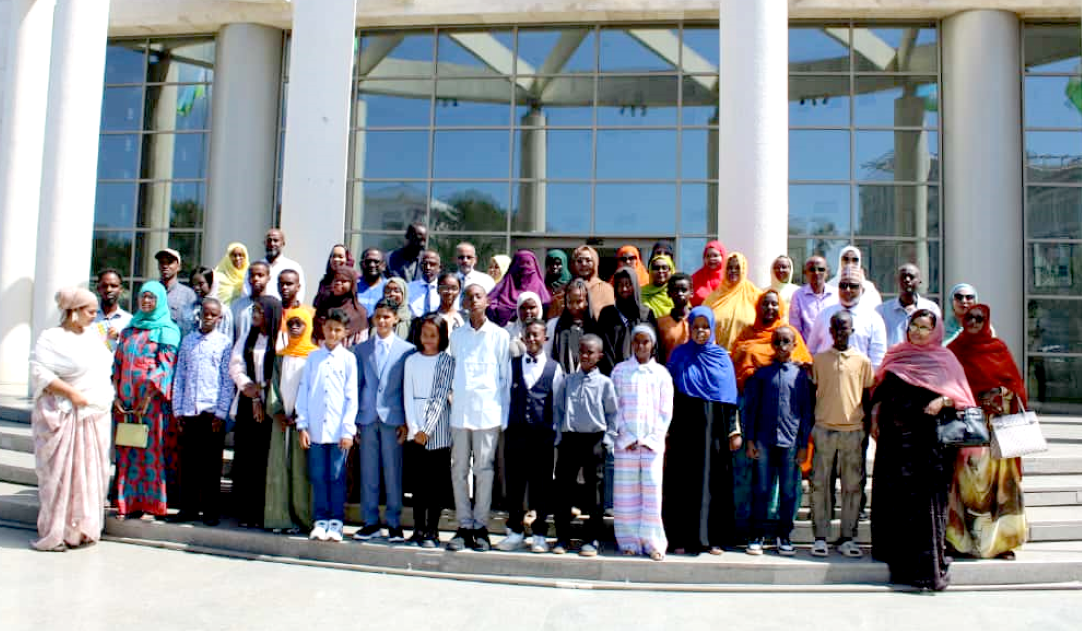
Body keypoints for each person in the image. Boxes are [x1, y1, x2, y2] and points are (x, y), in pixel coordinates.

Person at [870, 309, 975, 591]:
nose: (917, 332)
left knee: (926, 506)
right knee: (898, 504)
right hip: (894, 446)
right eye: (913, 326)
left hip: (928, 447)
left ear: (936, 331)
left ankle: (928, 572)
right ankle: (901, 568)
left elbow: (963, 399)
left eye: (924, 328)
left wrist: (942, 400)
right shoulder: (896, 355)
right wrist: (875, 414)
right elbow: (879, 390)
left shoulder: (945, 360)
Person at [29, 287, 114, 551]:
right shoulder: (51, 338)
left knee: (88, 474)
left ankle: (80, 530)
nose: (94, 316)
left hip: (93, 415)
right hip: (62, 414)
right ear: (74, 311)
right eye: (89, 311)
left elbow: (99, 368)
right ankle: (56, 531)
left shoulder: (92, 337)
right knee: (59, 477)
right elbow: (39, 371)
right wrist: (71, 393)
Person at [947, 304, 1028, 560]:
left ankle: (1002, 544)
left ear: (987, 321)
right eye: (969, 317)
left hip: (998, 432)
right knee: (966, 486)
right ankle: (960, 543)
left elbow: (1017, 387)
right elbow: (947, 386)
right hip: (967, 431)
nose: (973, 322)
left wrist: (1002, 394)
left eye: (979, 318)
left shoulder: (999, 349)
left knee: (1001, 489)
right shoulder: (954, 351)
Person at [662, 307, 741, 555]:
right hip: (684, 430)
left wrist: (732, 431)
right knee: (683, 483)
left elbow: (729, 400)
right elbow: (668, 394)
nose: (700, 332)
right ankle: (681, 539)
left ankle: (712, 539)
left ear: (713, 329)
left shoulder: (721, 358)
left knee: (713, 481)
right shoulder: (679, 355)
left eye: (705, 327)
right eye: (696, 327)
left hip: (713, 433)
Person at [446, 284, 511, 552]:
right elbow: (448, 372)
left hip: (488, 414)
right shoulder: (457, 336)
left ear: (487, 301)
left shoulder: (499, 336)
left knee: (484, 471)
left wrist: (503, 417)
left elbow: (505, 379)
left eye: (478, 296)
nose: (473, 301)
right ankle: (463, 525)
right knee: (458, 469)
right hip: (460, 413)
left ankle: (481, 526)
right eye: (468, 297)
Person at [742, 326, 814, 556]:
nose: (782, 347)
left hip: (791, 442)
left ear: (794, 346)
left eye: (786, 342)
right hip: (764, 440)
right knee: (761, 488)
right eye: (778, 342)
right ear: (772, 345)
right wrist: (750, 440)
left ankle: (784, 535)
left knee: (788, 491)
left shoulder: (801, 376)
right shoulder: (762, 375)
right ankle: (757, 535)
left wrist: (803, 445)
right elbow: (751, 410)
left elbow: (806, 412)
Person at [809, 310, 874, 559]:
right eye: (835, 327)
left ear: (852, 331)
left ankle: (848, 536)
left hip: (853, 431)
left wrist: (866, 429)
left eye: (844, 327)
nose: (839, 332)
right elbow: (811, 392)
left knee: (852, 486)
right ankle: (820, 536)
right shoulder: (819, 360)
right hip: (824, 429)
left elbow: (867, 398)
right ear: (829, 331)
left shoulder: (862, 361)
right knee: (820, 484)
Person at [112, 281, 180, 520]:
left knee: (150, 454)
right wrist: (116, 395)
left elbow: (165, 367)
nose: (147, 301)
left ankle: (151, 505)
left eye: (152, 298)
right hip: (126, 405)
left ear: (160, 300)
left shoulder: (167, 330)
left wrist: (148, 396)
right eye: (143, 297)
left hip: (152, 407)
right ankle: (127, 503)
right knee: (128, 452)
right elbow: (118, 364)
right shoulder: (129, 330)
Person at [497, 319, 565, 553]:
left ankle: (539, 534)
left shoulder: (554, 369)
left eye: (537, 335)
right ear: (523, 337)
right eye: (529, 335)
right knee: (515, 486)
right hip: (516, 434)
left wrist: (554, 432)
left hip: (542, 436)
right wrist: (506, 425)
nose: (533, 339)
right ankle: (515, 531)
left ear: (545, 338)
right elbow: (504, 396)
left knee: (541, 487)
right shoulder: (513, 364)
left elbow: (557, 403)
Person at [352, 299, 415, 543]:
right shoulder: (362, 349)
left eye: (387, 317)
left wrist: (406, 422)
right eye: (378, 316)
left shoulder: (406, 350)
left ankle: (394, 522)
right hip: (367, 417)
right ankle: (370, 522)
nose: (382, 321)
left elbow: (405, 387)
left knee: (393, 471)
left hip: (393, 418)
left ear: (396, 319)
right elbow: (357, 386)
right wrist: (354, 421)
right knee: (368, 472)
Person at [169, 297, 234, 526]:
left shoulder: (225, 344)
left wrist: (221, 413)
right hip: (190, 410)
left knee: (210, 465)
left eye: (212, 314)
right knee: (190, 464)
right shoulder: (188, 341)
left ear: (219, 318)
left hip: (212, 412)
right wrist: (178, 410)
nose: (208, 317)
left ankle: (210, 511)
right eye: (205, 313)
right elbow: (180, 376)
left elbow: (227, 381)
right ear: (200, 314)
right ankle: (187, 508)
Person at [295, 309, 359, 542]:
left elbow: (352, 397)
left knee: (336, 475)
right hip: (315, 430)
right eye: (329, 328)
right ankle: (320, 520)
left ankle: (336, 521)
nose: (332, 333)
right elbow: (304, 391)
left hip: (338, 431)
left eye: (338, 330)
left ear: (345, 332)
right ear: (322, 328)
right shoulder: (313, 358)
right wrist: (302, 425)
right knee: (318, 475)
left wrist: (347, 430)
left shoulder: (349, 359)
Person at [611, 324, 673, 561]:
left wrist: (652, 439)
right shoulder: (620, 371)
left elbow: (665, 410)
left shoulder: (661, 375)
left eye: (645, 341)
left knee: (651, 494)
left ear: (653, 344)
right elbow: (614, 406)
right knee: (625, 495)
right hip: (626, 443)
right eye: (636, 341)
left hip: (651, 446)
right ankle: (628, 542)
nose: (640, 346)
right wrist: (625, 436)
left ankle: (652, 542)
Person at [552, 334, 616, 557]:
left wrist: (608, 439)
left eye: (590, 352)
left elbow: (612, 413)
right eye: (582, 351)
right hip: (570, 439)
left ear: (599, 355)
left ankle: (592, 538)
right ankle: (562, 538)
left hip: (594, 440)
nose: (585, 356)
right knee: (563, 488)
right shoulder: (568, 381)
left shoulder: (605, 383)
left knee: (594, 491)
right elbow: (559, 410)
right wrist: (559, 436)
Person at [229, 295, 283, 528]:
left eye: (260, 311)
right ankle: (245, 511)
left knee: (264, 458)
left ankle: (264, 512)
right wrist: (248, 388)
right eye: (255, 310)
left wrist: (264, 390)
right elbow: (236, 364)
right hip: (247, 402)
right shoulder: (246, 337)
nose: (255, 314)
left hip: (271, 405)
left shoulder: (279, 339)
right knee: (246, 457)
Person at [403, 313, 456, 549]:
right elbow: (407, 395)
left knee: (435, 485)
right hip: (415, 429)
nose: (428, 339)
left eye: (433, 335)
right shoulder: (411, 360)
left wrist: (426, 429)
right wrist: (415, 428)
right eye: (425, 334)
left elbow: (440, 395)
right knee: (419, 485)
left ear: (441, 336)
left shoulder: (446, 361)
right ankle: (417, 528)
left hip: (439, 428)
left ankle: (432, 530)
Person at [264, 308, 318, 534]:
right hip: (282, 421)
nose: (295, 326)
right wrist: (277, 411)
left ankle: (303, 519)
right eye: (292, 322)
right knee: (280, 469)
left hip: (303, 422)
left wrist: (301, 414)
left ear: (308, 326)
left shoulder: (314, 355)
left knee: (301, 471)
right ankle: (280, 518)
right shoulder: (280, 355)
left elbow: (315, 388)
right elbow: (274, 386)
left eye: (300, 323)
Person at [805, 267, 888, 369]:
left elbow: (877, 359)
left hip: (859, 381)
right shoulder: (824, 315)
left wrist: (868, 382)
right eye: (843, 286)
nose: (847, 290)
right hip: (827, 379)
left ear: (862, 290)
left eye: (853, 286)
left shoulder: (874, 319)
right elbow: (811, 350)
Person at [731, 290, 813, 390]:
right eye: (765, 304)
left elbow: (801, 361)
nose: (770, 307)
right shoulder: (747, 333)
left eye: (774, 304)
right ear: (758, 307)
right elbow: (735, 359)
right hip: (750, 392)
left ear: (781, 307)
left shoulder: (789, 333)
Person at [598, 266, 657, 374]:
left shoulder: (646, 314)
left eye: (628, 285)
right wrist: (614, 371)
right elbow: (604, 347)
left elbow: (653, 347)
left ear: (635, 286)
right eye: (620, 285)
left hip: (641, 374)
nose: (624, 289)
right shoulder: (607, 313)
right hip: (611, 373)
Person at [704, 252, 760, 351]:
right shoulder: (713, 298)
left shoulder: (755, 295)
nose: (733, 271)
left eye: (738, 268)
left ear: (743, 270)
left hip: (746, 358)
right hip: (718, 357)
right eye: (729, 267)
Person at [877, 264, 941, 348]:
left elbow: (936, 338)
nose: (907, 280)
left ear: (919, 281)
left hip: (922, 358)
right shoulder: (882, 311)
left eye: (911, 277)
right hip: (893, 359)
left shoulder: (931, 309)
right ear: (897, 281)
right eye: (903, 277)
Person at [545, 278, 598, 374]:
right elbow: (546, 356)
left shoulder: (595, 328)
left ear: (587, 302)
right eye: (570, 302)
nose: (574, 306)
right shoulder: (554, 326)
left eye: (579, 301)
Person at [486, 249, 551, 327]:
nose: (525, 267)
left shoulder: (541, 291)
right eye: (521, 263)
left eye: (528, 263)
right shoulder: (502, 288)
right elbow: (488, 306)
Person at [313, 265, 368, 348]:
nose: (338, 283)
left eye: (344, 281)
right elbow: (314, 335)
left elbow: (361, 344)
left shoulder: (359, 313)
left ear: (352, 284)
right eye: (336, 280)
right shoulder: (323, 306)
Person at [789, 255, 837, 341]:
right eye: (812, 269)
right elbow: (795, 329)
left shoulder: (836, 295)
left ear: (827, 273)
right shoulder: (798, 295)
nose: (816, 273)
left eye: (821, 269)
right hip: (808, 351)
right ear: (805, 273)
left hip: (831, 350)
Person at [156, 248, 197, 335]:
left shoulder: (188, 294)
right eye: (162, 262)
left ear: (179, 267)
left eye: (170, 262)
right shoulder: (151, 292)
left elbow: (192, 326)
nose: (165, 266)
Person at [260, 229, 306, 303]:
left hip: (285, 312)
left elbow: (300, 293)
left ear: (283, 243)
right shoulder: (256, 267)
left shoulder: (293, 266)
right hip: (260, 311)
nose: (272, 243)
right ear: (264, 243)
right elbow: (247, 292)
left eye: (276, 240)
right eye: (269, 240)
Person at [656, 272, 693, 364]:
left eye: (684, 290)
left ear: (691, 292)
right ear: (669, 293)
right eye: (675, 290)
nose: (680, 293)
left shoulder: (698, 320)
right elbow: (658, 353)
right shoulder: (660, 323)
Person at [189, 266, 234, 341]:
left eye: (201, 284)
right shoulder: (191, 308)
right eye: (194, 284)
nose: (196, 287)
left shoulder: (223, 310)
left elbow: (227, 337)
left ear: (211, 283)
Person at [232, 261, 271, 343]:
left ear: (268, 278)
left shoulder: (273, 306)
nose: (256, 279)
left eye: (260, 275)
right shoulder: (236, 306)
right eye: (252, 275)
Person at [571, 246, 614, 319]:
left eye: (588, 260)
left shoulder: (606, 289)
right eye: (579, 261)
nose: (584, 264)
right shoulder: (565, 289)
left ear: (595, 262)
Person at [94, 268, 131, 351]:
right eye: (104, 286)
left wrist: (120, 338)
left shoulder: (129, 321)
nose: (109, 290)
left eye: (113, 286)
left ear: (120, 289)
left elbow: (133, 351)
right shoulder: (88, 318)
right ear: (98, 289)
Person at [313, 244, 355, 309]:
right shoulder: (325, 281)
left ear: (347, 260)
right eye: (333, 256)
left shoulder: (355, 281)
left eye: (340, 257)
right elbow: (317, 305)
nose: (336, 259)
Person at [503, 291, 543, 358]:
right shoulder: (506, 332)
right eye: (523, 308)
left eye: (532, 307)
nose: (527, 311)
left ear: (539, 308)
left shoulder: (547, 331)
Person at [691, 240, 727, 307]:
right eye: (708, 256)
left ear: (722, 257)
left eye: (715, 255)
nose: (711, 259)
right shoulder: (695, 278)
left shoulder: (728, 277)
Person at [407, 250, 442, 316]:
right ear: (420, 266)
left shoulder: (444, 288)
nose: (428, 267)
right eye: (424, 264)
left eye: (432, 264)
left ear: (439, 267)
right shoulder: (409, 288)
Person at [213, 242, 249, 306]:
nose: (238, 258)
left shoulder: (249, 275)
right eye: (234, 255)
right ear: (228, 257)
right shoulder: (217, 277)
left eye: (241, 255)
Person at [640, 253, 675, 319]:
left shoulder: (677, 292)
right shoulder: (641, 292)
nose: (660, 271)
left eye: (664, 268)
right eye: (656, 268)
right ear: (650, 271)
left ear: (671, 270)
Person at [357, 248, 389, 316]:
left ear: (383, 265)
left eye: (376, 261)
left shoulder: (389, 287)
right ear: (362, 264)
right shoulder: (353, 285)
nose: (372, 265)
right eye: (368, 261)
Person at [543, 249, 572, 319]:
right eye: (550, 263)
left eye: (558, 264)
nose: (554, 267)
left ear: (564, 264)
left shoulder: (571, 285)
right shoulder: (542, 285)